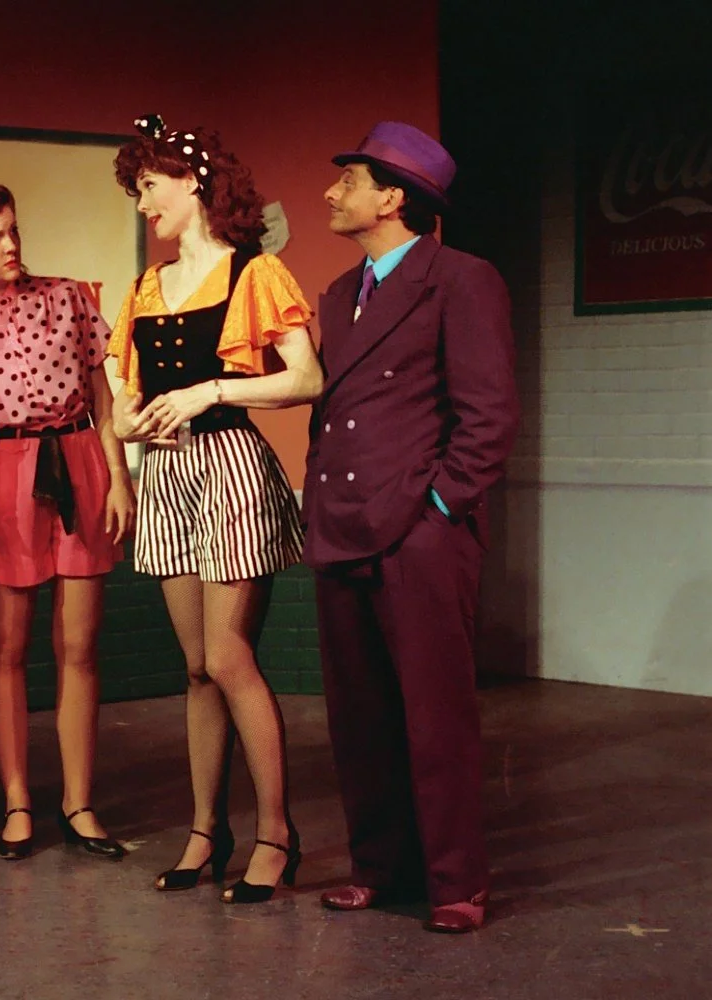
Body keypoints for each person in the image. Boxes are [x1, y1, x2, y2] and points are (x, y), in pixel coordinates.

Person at [308, 122, 518, 933]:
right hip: (341, 524)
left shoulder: (460, 280)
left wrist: (436, 508)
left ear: (391, 198)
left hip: (418, 533)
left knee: (436, 717)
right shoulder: (337, 293)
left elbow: (489, 416)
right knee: (359, 715)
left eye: (348, 180)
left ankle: (454, 882)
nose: (333, 193)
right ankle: (378, 868)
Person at [108, 116, 323, 903]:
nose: (142, 205)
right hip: (165, 476)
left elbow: (304, 379)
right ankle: (206, 831)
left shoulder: (253, 273)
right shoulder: (143, 288)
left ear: (190, 181)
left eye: (148, 188)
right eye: (135, 193)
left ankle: (277, 835)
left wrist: (213, 389)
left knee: (229, 657)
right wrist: (127, 421)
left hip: (229, 466)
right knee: (196, 667)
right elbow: (122, 398)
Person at [0, 184, 135, 861]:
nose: (10, 246)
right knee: (6, 647)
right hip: (8, 471)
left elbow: (102, 393)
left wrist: (119, 474)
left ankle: (78, 803)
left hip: (80, 459)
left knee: (80, 644)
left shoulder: (69, 295)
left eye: (12, 231)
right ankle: (16, 801)